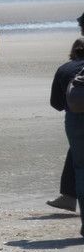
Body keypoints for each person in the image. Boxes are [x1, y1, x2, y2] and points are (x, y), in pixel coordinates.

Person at [47, 12, 84, 212]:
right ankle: (68, 196)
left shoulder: (65, 69)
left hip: (76, 119)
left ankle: (69, 197)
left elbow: (57, 104)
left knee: (80, 163)